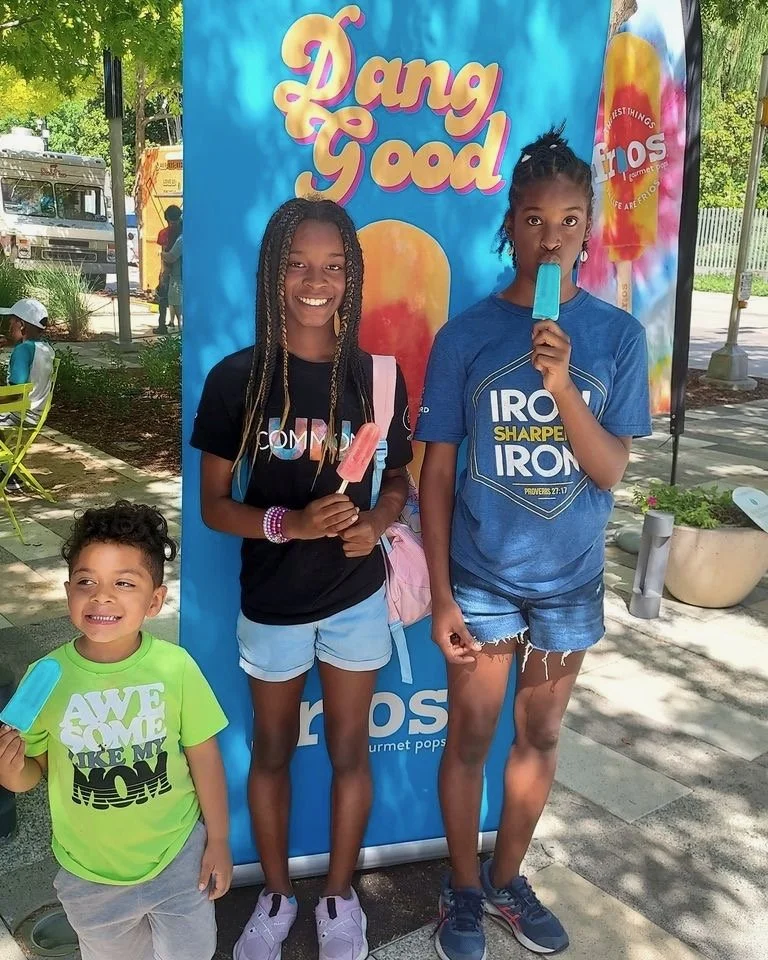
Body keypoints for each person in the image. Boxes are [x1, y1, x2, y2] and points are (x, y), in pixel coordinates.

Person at [416, 126, 652, 960]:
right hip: (480, 579)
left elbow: (611, 467)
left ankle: (508, 878)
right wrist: (442, 592)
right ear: (509, 225)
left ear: (588, 229)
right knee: (469, 739)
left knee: (540, 738)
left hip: (569, 584)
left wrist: (558, 384)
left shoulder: (617, 338)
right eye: (533, 219)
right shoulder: (466, 337)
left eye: (569, 220)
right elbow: (435, 476)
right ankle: (464, 892)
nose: (550, 238)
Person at [192, 196, 412, 960]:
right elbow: (216, 508)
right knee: (274, 752)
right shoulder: (238, 381)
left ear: (351, 276)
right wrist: (288, 524)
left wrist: (376, 527)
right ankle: (280, 896)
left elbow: (398, 484)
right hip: (275, 602)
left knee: (351, 752)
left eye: (333, 267)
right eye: (297, 264)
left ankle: (339, 897)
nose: (315, 281)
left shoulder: (377, 379)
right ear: (273, 273)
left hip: (355, 600)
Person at [0, 501, 232, 960]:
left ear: (154, 601)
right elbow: (36, 772)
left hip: (178, 857)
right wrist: (10, 771)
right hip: (89, 874)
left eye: (123, 583)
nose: (102, 596)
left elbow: (204, 757)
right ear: (68, 591)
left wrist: (220, 840)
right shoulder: (45, 676)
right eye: (86, 582)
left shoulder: (175, 667)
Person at [0, 297, 55, 428]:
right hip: (34, 416)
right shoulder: (46, 348)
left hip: (18, 416)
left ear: (22, 325)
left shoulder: (23, 350)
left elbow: (15, 392)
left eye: (11, 323)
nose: (9, 328)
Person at [156, 205, 181, 333]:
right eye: (172, 221)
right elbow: (164, 252)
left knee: (166, 298)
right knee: (163, 298)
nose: (173, 224)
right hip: (170, 270)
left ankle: (164, 324)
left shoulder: (178, 235)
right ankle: (162, 324)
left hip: (174, 272)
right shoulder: (167, 233)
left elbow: (165, 254)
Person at [162, 216, 183, 329]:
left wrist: (163, 254)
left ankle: (180, 328)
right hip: (181, 276)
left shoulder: (181, 239)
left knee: (176, 303)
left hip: (178, 276)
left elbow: (171, 257)